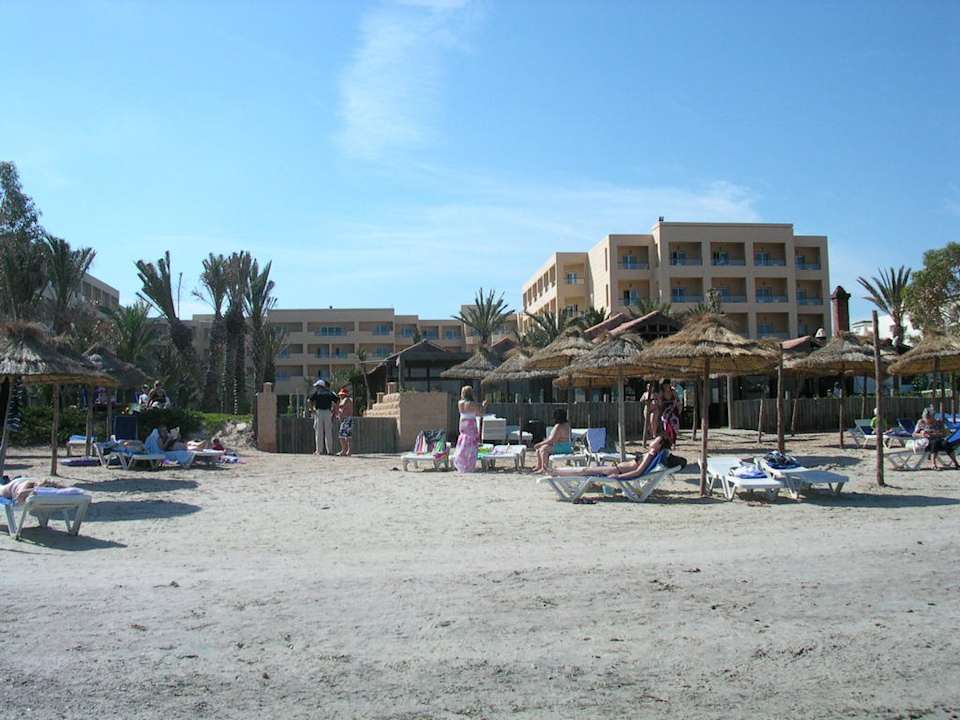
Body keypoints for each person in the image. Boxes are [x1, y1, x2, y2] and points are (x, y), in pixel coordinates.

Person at [550, 433, 686, 480]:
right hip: (616, 468)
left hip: (616, 471)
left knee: (585, 471)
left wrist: (618, 477)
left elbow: (638, 472)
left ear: (659, 445)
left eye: (655, 440)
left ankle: (556, 472)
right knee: (585, 471)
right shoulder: (652, 454)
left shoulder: (651, 455)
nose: (652, 440)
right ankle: (556, 472)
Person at [454, 386, 486, 472]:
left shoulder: (460, 403)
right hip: (470, 423)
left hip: (462, 423)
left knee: (463, 442)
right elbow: (481, 414)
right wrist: (483, 406)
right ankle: (469, 465)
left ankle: (461, 462)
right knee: (472, 444)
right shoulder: (472, 403)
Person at [532, 408, 572, 474]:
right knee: (539, 449)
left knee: (544, 449)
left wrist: (539, 444)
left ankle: (544, 468)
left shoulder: (559, 426)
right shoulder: (567, 425)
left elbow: (551, 440)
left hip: (562, 447)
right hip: (565, 446)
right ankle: (539, 466)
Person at [310, 379, 339, 455]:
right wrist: (335, 410)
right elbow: (337, 401)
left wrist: (312, 409)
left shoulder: (317, 393)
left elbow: (309, 401)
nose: (316, 387)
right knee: (328, 432)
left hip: (319, 412)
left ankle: (319, 451)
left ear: (320, 386)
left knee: (319, 432)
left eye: (317, 386)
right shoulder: (330, 393)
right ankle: (330, 451)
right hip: (328, 412)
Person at [659, 378, 681, 445]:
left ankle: (674, 442)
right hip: (665, 412)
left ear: (669, 385)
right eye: (664, 385)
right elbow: (660, 403)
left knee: (674, 426)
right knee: (667, 426)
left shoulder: (673, 391)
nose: (666, 387)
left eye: (667, 385)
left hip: (673, 410)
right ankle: (668, 442)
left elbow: (678, 400)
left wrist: (676, 405)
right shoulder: (662, 392)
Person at [335, 387, 355, 457]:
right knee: (343, 436)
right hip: (345, 420)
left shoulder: (347, 399)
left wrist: (336, 405)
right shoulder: (344, 400)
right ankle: (345, 450)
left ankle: (347, 451)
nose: (340, 396)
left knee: (346, 436)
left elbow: (341, 405)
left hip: (347, 420)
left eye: (341, 395)